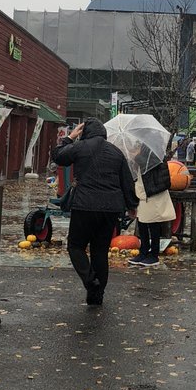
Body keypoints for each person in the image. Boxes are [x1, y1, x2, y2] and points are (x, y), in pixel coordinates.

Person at [51, 118, 138, 305]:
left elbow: (58, 157)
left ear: (84, 132)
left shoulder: (80, 146)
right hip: (110, 209)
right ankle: (96, 296)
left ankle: (91, 281)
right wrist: (132, 206)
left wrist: (70, 138)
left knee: (75, 246)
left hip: (85, 205)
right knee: (100, 251)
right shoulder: (116, 152)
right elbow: (126, 181)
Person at [131, 158, 175, 268]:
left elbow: (162, 177)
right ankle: (144, 251)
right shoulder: (141, 158)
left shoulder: (154, 157)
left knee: (153, 224)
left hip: (152, 194)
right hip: (142, 194)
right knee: (142, 223)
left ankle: (154, 254)